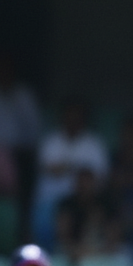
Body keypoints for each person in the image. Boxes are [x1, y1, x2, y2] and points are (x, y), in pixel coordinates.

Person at [33, 99, 108, 246]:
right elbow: (50, 169)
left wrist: (66, 167)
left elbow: (100, 177)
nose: (73, 119)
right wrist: (75, 167)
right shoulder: (51, 141)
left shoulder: (93, 144)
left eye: (77, 115)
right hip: (51, 201)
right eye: (69, 115)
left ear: (83, 117)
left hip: (83, 203)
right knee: (45, 218)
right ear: (62, 117)